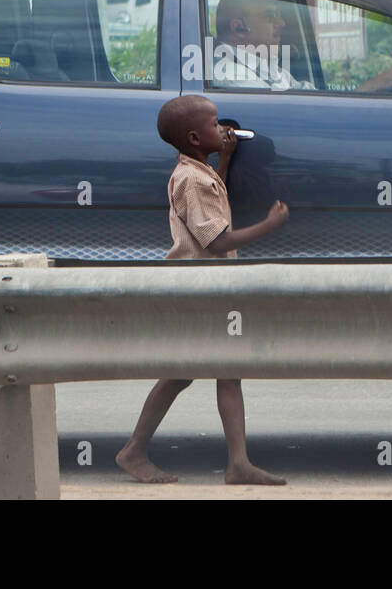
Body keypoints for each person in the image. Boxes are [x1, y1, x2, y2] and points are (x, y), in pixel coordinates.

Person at [115, 94, 290, 485]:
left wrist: (224, 160)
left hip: (209, 287)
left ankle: (238, 463)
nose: (224, 129)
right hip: (197, 289)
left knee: (224, 372)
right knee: (182, 373)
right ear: (195, 138)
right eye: (215, 125)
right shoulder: (192, 181)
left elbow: (214, 209)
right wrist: (269, 224)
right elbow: (217, 241)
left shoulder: (199, 172)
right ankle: (134, 451)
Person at [211, 0, 392, 92]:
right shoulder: (233, 76)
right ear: (238, 28)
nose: (282, 23)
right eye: (270, 16)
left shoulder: (261, 67)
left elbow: (314, 96)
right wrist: (376, 85)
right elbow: (297, 118)